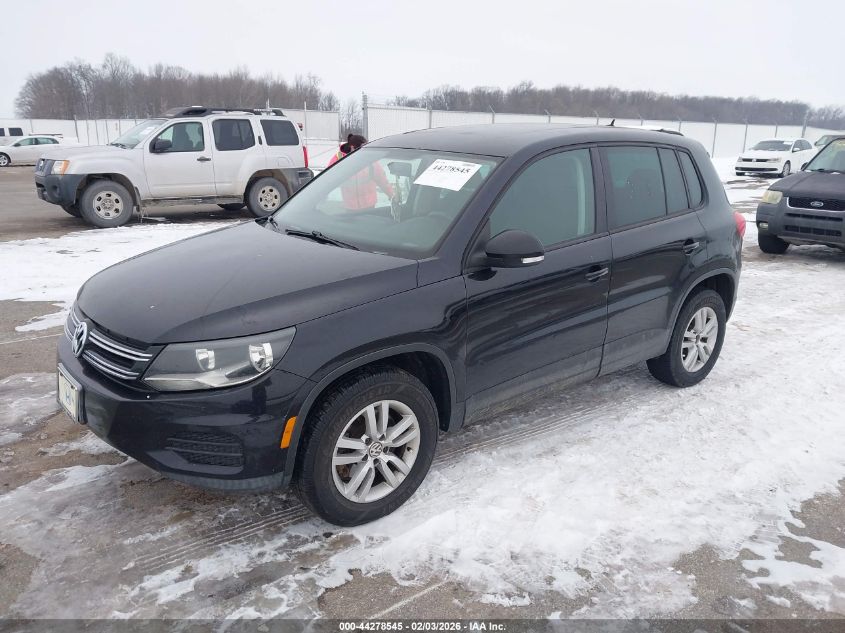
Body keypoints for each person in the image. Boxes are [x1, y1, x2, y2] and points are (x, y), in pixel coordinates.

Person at [328, 134, 394, 211]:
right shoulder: (339, 159)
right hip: (349, 207)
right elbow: (327, 180)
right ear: (352, 147)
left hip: (369, 206)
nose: (365, 151)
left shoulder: (370, 160)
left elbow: (382, 180)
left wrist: (392, 196)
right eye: (362, 148)